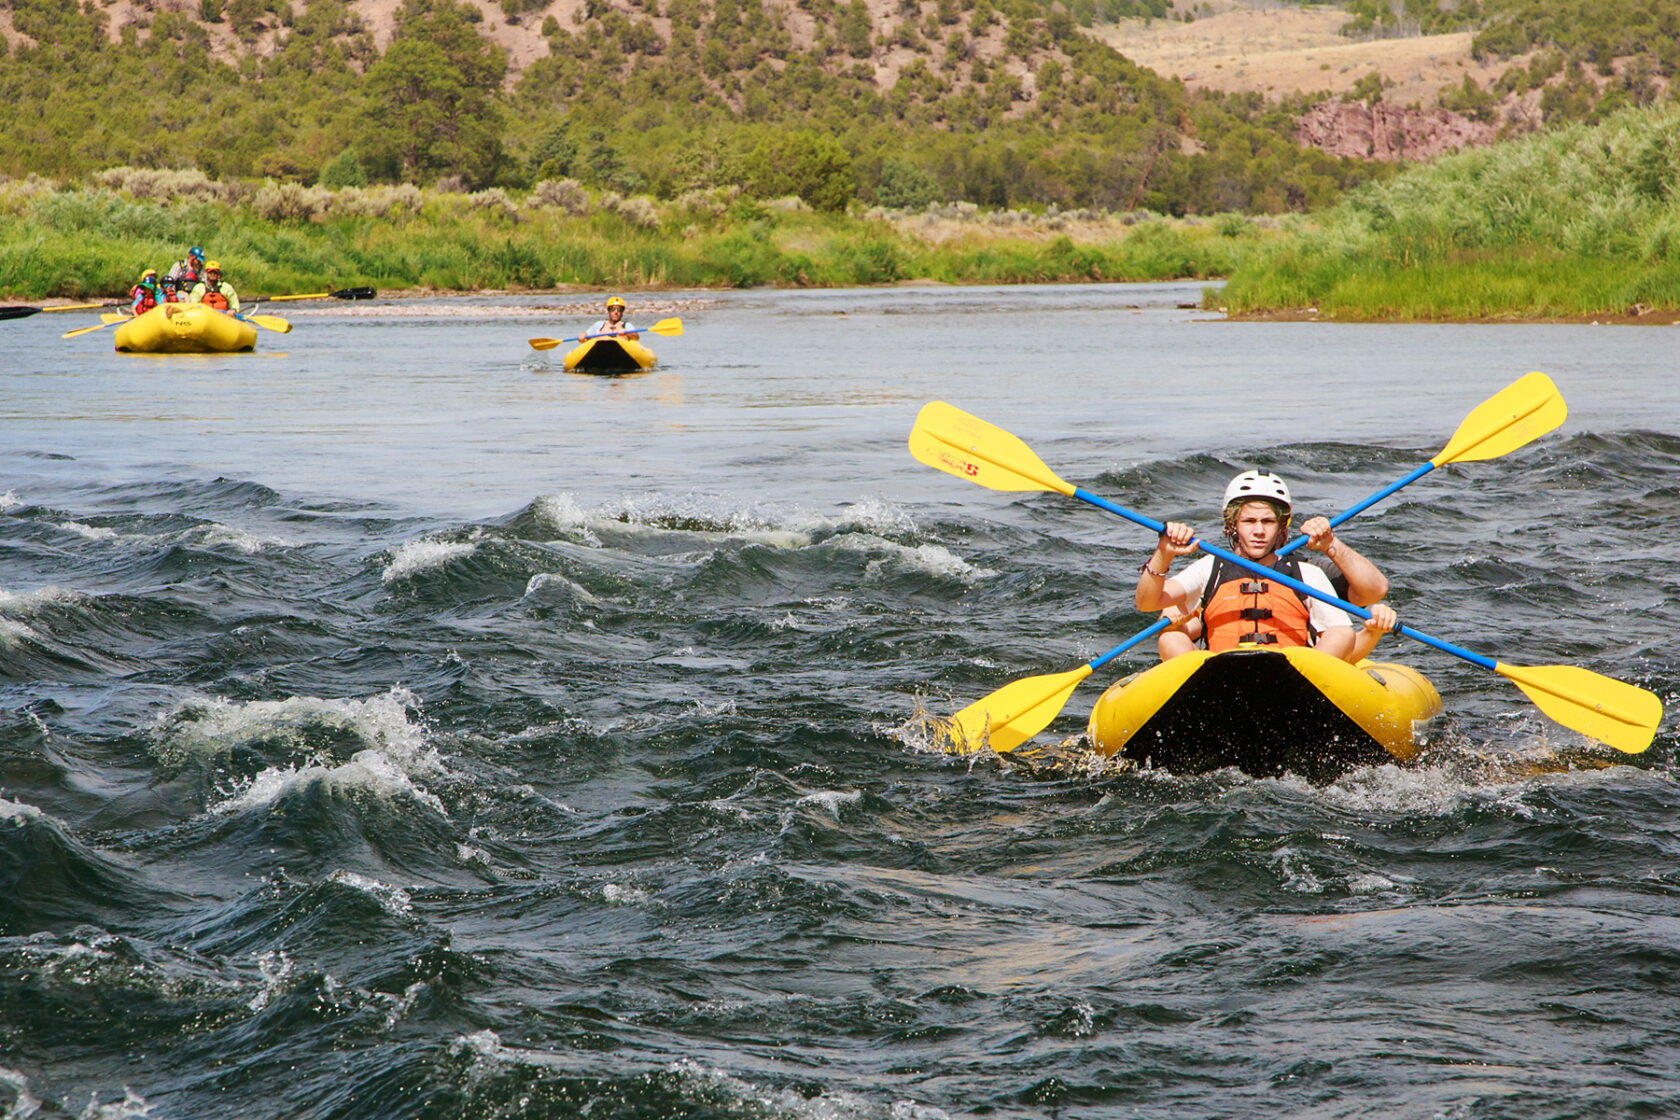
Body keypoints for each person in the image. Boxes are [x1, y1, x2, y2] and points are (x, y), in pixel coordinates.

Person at [1136, 469, 1396, 664]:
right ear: (1232, 525)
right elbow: (1147, 603)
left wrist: (1371, 633)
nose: (1259, 531)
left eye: (1268, 522)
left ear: (1282, 527)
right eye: (1249, 521)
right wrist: (1164, 553)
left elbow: (1345, 639)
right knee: (1170, 637)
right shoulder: (1210, 568)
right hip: (1218, 677)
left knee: (1341, 632)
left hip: (1293, 678)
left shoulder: (1307, 572)